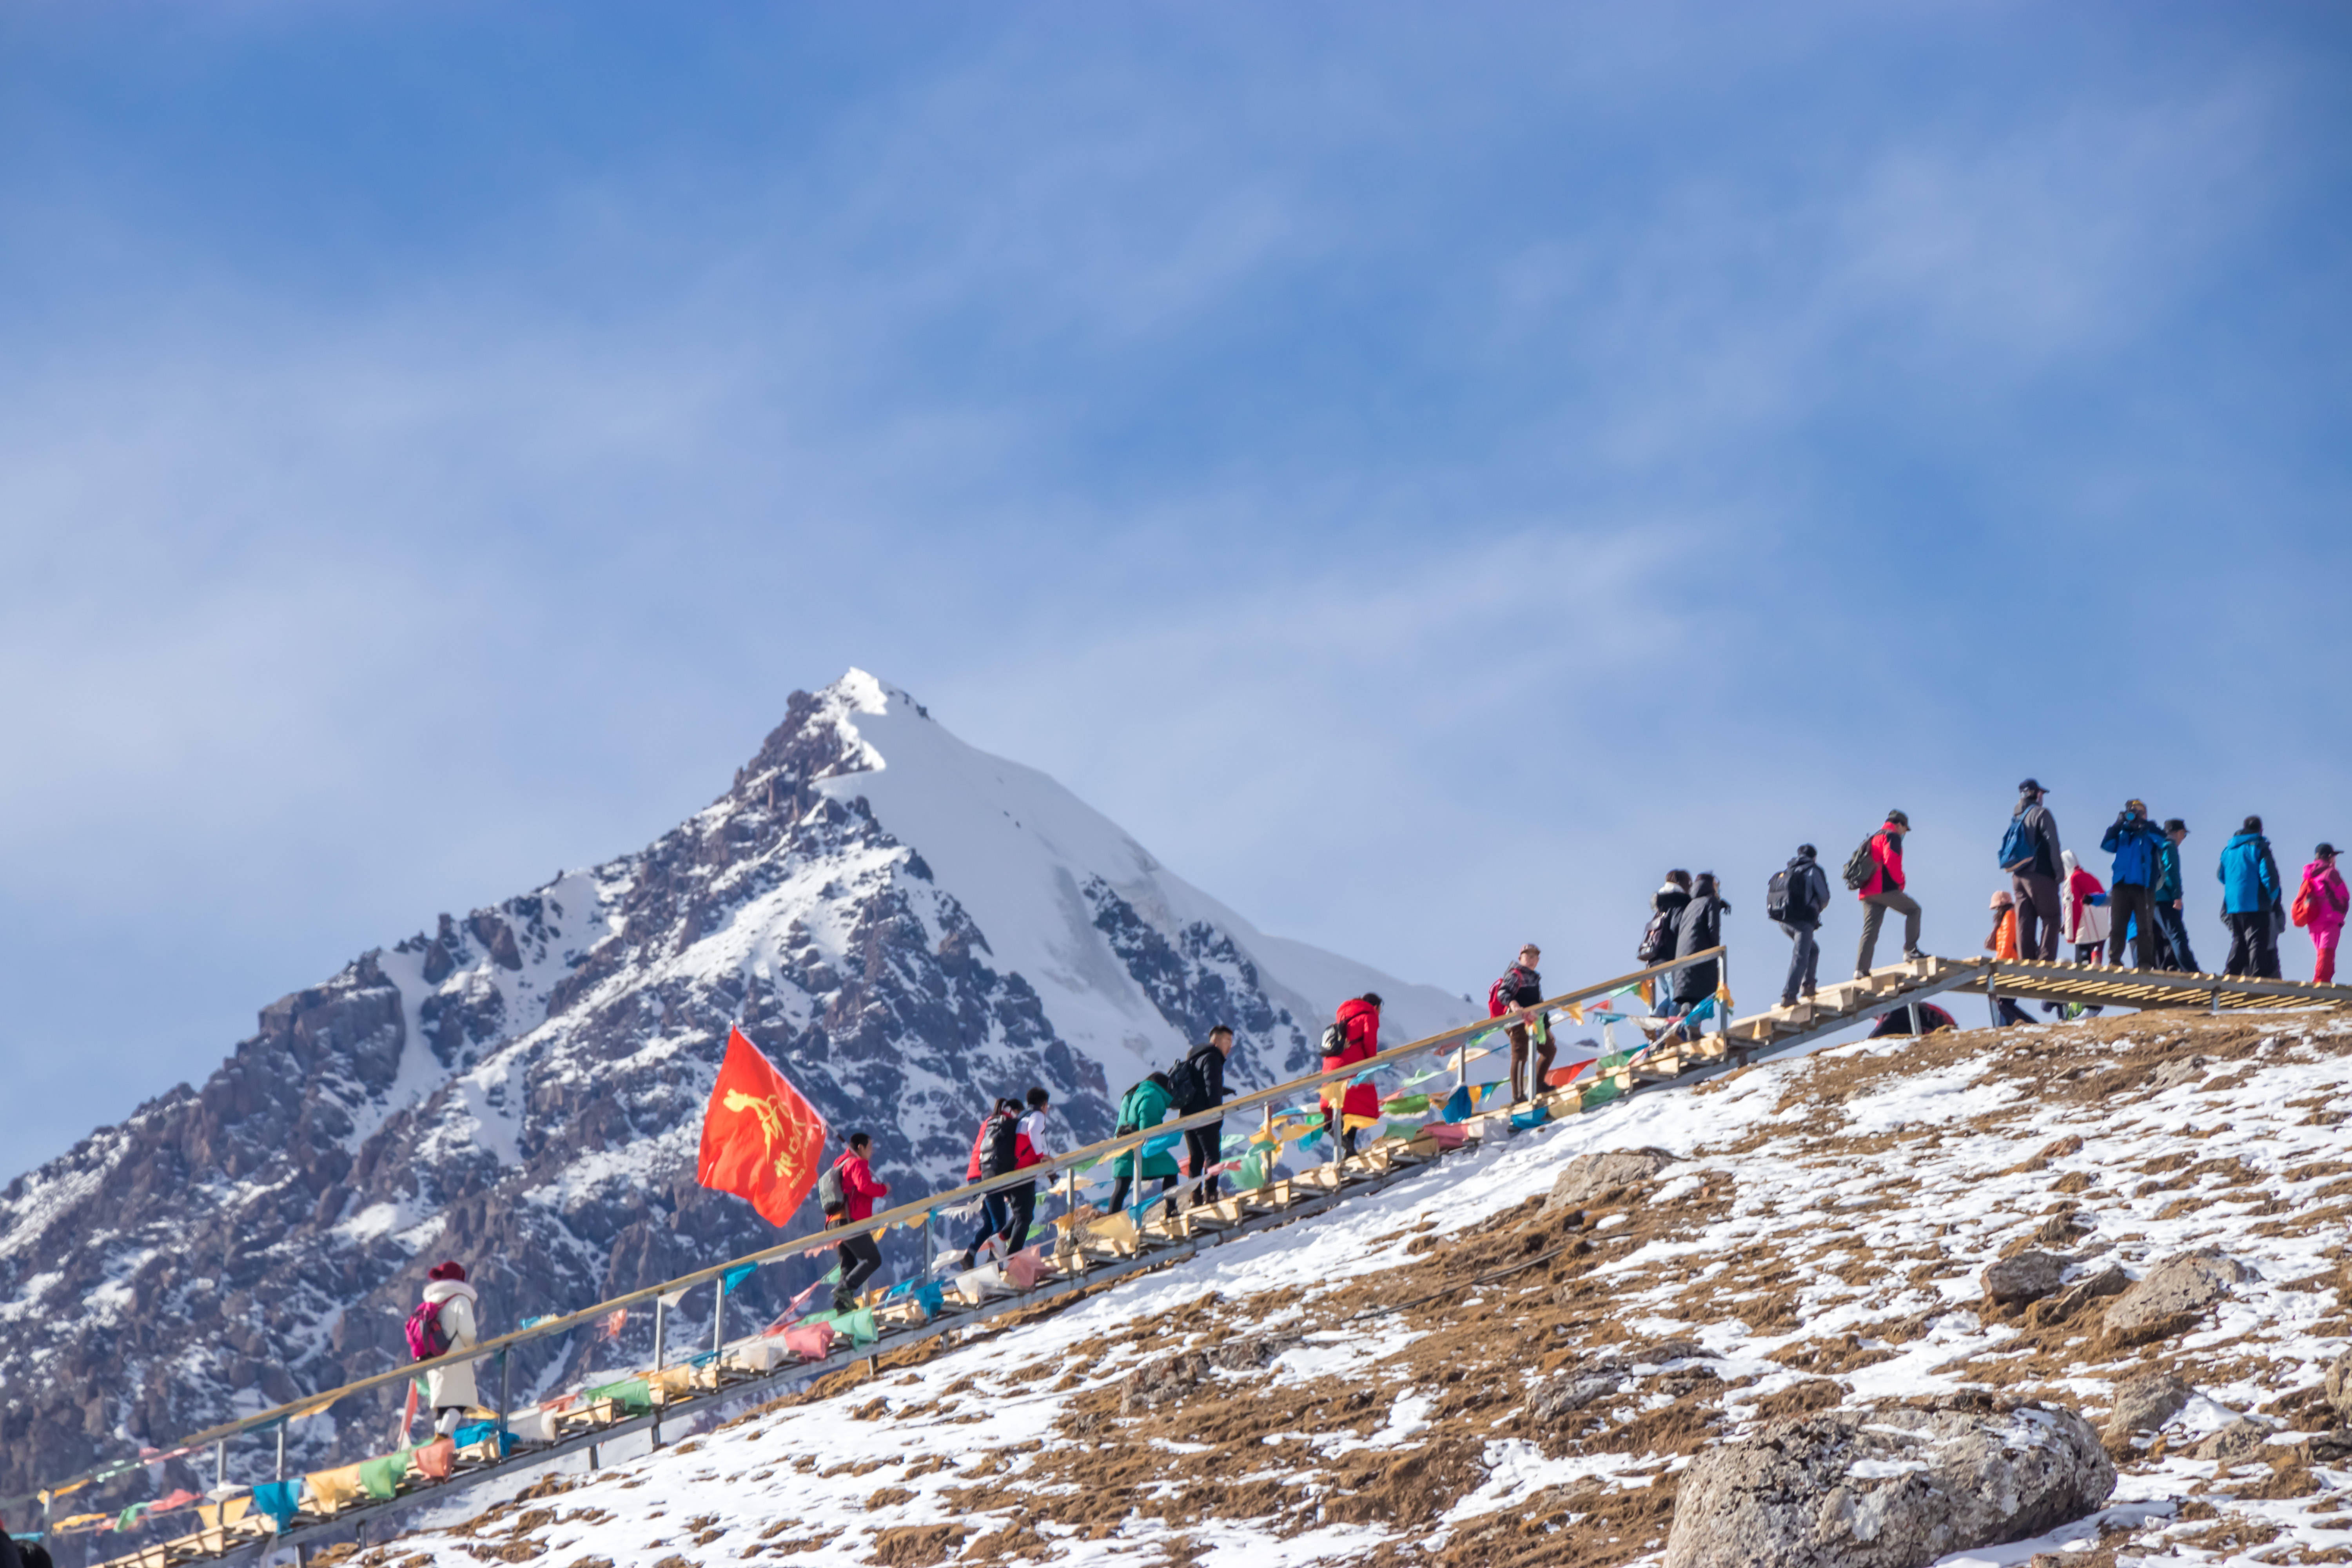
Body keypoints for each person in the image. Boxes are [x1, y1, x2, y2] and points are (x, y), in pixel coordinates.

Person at [954, 1097, 1026, 1268]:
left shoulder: (989, 1121)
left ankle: (970, 1255)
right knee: (1000, 1223)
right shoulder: (1006, 1124)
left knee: (989, 1224)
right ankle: (993, 1263)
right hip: (988, 1175)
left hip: (973, 1176)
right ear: (1015, 1112)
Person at [1169, 1028, 1236, 1205]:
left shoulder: (1195, 1058)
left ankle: (1195, 1198)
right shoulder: (1212, 1058)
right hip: (1205, 1117)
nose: (1231, 1046)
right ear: (1216, 1042)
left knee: (1196, 1159)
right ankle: (1211, 1196)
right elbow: (1211, 1088)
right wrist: (1216, 1117)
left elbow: (1201, 1086)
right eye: (1228, 1041)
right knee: (1213, 1156)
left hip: (1187, 1117)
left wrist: (1224, 1091)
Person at [1853, 811, 1923, 976]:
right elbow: (1891, 861)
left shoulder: (1874, 837)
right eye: (1905, 829)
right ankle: (1911, 950)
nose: (1905, 833)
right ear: (1899, 825)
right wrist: (1900, 882)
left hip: (1867, 891)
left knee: (1870, 930)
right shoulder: (1892, 837)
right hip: (1884, 888)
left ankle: (1861, 970)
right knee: (1914, 910)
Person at [825, 1132, 889, 1310]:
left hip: (834, 1222)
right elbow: (864, 1186)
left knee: (849, 1264)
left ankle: (841, 1305)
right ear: (860, 1148)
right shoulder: (858, 1163)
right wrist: (884, 1189)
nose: (872, 1151)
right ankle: (844, 1291)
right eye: (870, 1147)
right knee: (873, 1259)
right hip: (850, 1220)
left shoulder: (840, 1162)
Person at [2002, 780, 2064, 962]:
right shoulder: (2041, 813)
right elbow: (2053, 843)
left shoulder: (2017, 817)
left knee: (2025, 920)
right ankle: (2045, 960)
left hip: (2018, 875)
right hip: (2040, 873)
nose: (2042, 797)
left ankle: (2026, 961)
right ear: (2035, 794)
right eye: (2041, 793)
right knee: (2052, 917)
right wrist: (2059, 873)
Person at [2100, 800, 2165, 970]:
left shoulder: (2151, 830)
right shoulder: (2122, 832)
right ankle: (2115, 959)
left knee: (2144, 926)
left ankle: (2145, 963)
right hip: (2121, 884)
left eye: (2140, 812)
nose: (2137, 815)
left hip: (2143, 885)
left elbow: (2164, 842)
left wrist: (2146, 826)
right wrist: (2118, 824)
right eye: (2133, 811)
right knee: (2117, 925)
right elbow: (2106, 845)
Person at [1104, 1071, 1180, 1219]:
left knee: (1121, 1188)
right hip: (1141, 1148)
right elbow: (1149, 1127)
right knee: (1171, 1169)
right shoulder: (1153, 1095)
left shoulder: (1132, 1094)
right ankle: (1171, 1210)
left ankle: (1111, 1225)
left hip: (1122, 1147)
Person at [419, 1261, 481, 1437]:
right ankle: (441, 1441)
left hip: (434, 1361)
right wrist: (472, 1348)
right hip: (456, 1361)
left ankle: (441, 1449)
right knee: (459, 1403)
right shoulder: (460, 1299)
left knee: (443, 1406)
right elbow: (468, 1332)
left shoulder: (430, 1303)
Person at [2220, 816, 2285, 979]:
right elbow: (2269, 876)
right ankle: (2258, 977)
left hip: (2234, 905)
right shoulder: (2260, 846)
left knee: (2239, 941)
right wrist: (2272, 898)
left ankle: (2230, 974)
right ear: (2260, 829)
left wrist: (2236, 886)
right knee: (2257, 941)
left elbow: (2221, 875)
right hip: (2256, 903)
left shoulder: (2229, 850)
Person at [1488, 945, 1553, 1103]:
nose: (1531, 960)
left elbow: (1540, 1005)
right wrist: (1514, 1004)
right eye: (1527, 957)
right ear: (1520, 959)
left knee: (1549, 1049)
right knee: (1520, 1055)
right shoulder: (1515, 974)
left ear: (1538, 960)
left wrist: (1548, 1029)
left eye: (1534, 957)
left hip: (1534, 1021)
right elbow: (1503, 993)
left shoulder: (1535, 979)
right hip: (1516, 1020)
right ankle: (1517, 1096)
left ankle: (1538, 1085)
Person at [1668, 873, 1730, 1039]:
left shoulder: (1691, 904)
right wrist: (1716, 952)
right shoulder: (1711, 901)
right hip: (1700, 956)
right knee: (1705, 995)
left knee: (1690, 997)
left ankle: (1693, 1033)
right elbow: (1713, 930)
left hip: (1682, 960)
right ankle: (1684, 1022)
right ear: (1711, 885)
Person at [1321, 994, 1383, 1158]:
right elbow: (1370, 1043)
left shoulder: (1343, 1017)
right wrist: (1371, 1064)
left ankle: (1342, 1139)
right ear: (1375, 1007)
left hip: (1331, 1066)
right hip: (1351, 1066)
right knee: (1359, 1105)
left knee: (1347, 1105)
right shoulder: (1368, 1016)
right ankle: (1345, 1142)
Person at [1771, 845, 1830, 1006]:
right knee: (1801, 956)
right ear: (1814, 857)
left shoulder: (1789, 870)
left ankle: (1809, 986)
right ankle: (1789, 995)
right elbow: (1825, 897)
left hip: (1784, 921)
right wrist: (1816, 908)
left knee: (1813, 950)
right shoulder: (1813, 870)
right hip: (1803, 921)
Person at [2153, 819, 2200, 974]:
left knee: (2160, 938)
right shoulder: (2170, 846)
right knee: (2178, 936)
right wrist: (2177, 896)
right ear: (2179, 833)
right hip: (2165, 898)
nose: (2183, 839)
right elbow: (2172, 873)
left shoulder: (2155, 845)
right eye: (2184, 835)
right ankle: (2191, 970)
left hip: (2151, 899)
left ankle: (2164, 969)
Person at [1642, 871, 1693, 1012]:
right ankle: (1672, 1031)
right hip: (1671, 959)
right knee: (1678, 998)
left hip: (1656, 961)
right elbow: (1678, 928)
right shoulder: (1679, 903)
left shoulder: (1661, 906)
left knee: (1673, 997)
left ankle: (1657, 1018)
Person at [2298, 844, 2347, 984]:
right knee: (2327, 953)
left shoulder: (2310, 874)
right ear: (2330, 857)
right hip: (2330, 920)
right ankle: (2321, 982)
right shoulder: (2331, 873)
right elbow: (2344, 895)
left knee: (2322, 953)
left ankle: (2324, 979)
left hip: (2313, 920)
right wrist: (2341, 914)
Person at [1984, 891, 2032, 1025]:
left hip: (2008, 966)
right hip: (2012, 964)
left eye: (1996, 909)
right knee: (2006, 1002)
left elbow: (2006, 941)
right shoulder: (2014, 914)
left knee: (2002, 1002)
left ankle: (2027, 1023)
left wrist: (1999, 967)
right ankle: (2011, 1027)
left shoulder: (2009, 916)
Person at [1013, 1085, 1055, 1223]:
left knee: (1021, 1212)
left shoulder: (1022, 1116)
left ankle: (1001, 1238)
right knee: (1026, 1215)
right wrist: (1041, 1155)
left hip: (1016, 1166)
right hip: (1026, 1169)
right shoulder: (1037, 1115)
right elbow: (1033, 1131)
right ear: (1044, 1105)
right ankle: (1007, 1242)